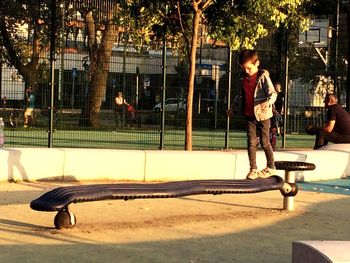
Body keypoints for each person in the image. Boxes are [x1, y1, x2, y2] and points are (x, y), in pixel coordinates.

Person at [228, 49, 277, 180]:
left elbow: (272, 93)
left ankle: (271, 167)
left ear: (257, 64)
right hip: (249, 115)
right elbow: (239, 96)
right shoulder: (243, 78)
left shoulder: (262, 77)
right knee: (251, 142)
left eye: (249, 68)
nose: (247, 71)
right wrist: (233, 108)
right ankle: (253, 169)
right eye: (244, 69)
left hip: (263, 115)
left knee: (264, 141)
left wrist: (269, 102)